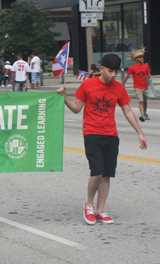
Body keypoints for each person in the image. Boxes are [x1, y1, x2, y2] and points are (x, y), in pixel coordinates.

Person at [57, 54, 147, 225]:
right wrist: (65, 98)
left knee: (106, 175)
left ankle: (100, 210)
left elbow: (127, 111)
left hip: (111, 136)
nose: (113, 75)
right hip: (92, 134)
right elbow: (77, 108)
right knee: (97, 173)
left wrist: (139, 132)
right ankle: (89, 205)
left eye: (116, 72)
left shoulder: (118, 87)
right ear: (102, 68)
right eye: (110, 71)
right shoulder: (88, 84)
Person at [122, 47, 151, 122]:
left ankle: (145, 113)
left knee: (145, 101)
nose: (142, 58)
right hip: (137, 87)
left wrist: (149, 75)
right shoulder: (132, 68)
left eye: (142, 57)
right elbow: (126, 77)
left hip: (145, 87)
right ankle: (142, 115)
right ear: (136, 59)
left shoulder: (146, 66)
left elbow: (148, 73)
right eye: (140, 57)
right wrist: (122, 85)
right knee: (141, 101)